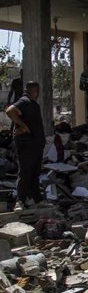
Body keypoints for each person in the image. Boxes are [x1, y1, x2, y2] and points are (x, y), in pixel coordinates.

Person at [5, 81, 46, 212]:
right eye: (37, 90)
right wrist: (22, 125)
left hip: (35, 145)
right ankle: (20, 201)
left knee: (34, 173)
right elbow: (10, 111)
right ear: (34, 90)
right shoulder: (24, 101)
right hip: (26, 144)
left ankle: (38, 199)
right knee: (25, 172)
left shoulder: (33, 104)